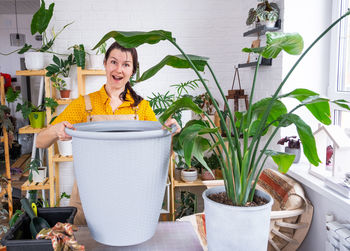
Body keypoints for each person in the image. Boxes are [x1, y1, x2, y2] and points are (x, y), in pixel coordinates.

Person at [36, 41, 180, 225]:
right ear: (105, 63)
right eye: (114, 62)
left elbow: (159, 155)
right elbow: (40, 141)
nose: (119, 69)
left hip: (129, 197)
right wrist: (57, 130)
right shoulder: (84, 104)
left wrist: (169, 135)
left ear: (132, 70)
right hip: (88, 198)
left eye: (126, 64)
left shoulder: (142, 109)